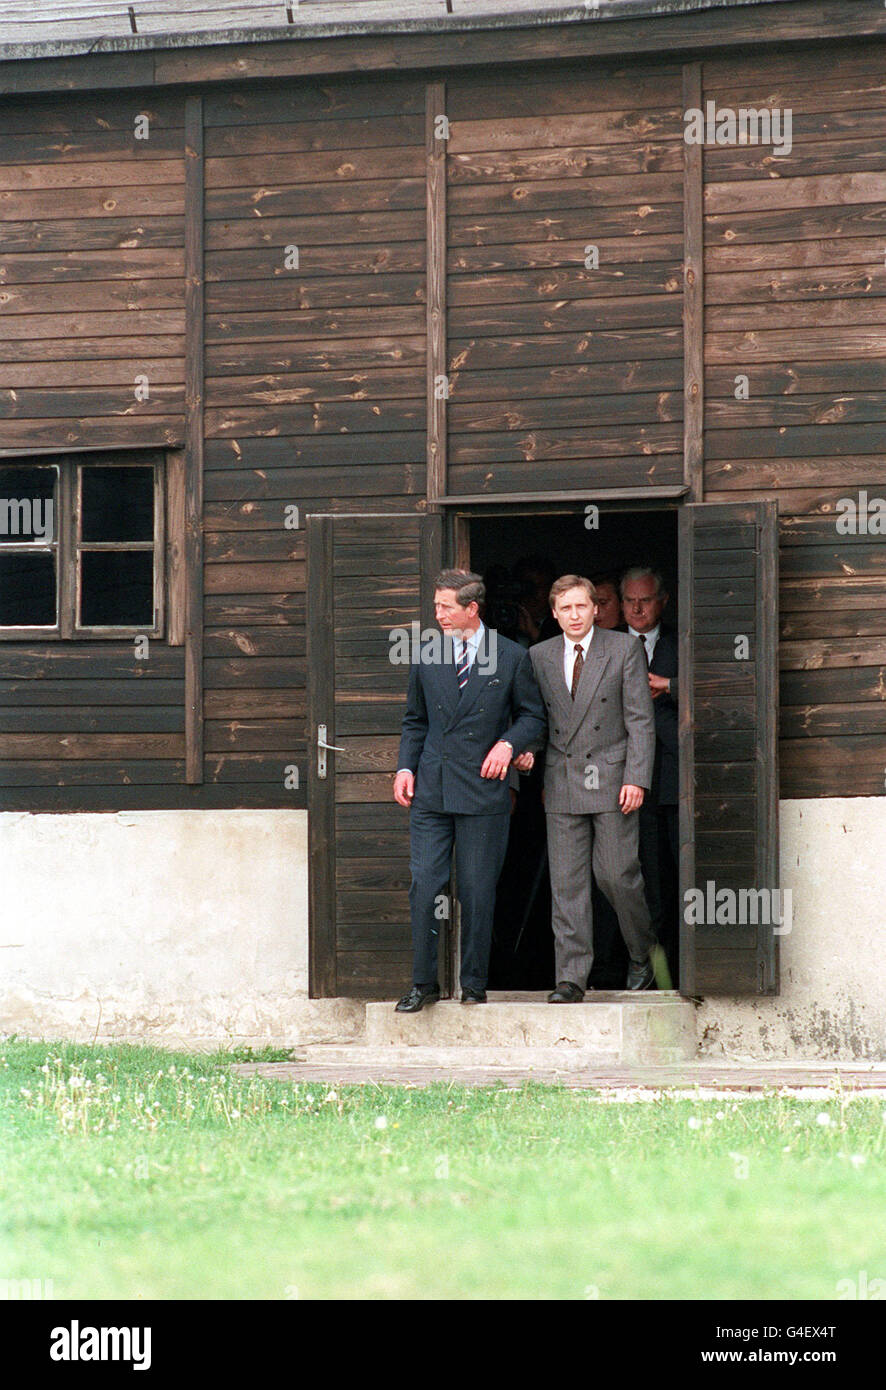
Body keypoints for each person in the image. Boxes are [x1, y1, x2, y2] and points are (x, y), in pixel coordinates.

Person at [392, 570, 546, 1011]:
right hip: (432, 789)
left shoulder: (512, 656)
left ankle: (474, 983)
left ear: (471, 609)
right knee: (425, 885)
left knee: (478, 890)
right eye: (436, 605)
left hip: (483, 789)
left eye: (446, 607)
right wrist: (405, 767)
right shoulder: (427, 654)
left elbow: (532, 717)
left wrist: (509, 743)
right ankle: (424, 984)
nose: (437, 614)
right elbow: (415, 721)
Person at [518, 575, 658, 1000]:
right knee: (567, 884)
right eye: (566, 609)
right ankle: (571, 978)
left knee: (617, 875)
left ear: (596, 608)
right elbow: (538, 716)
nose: (575, 616)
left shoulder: (623, 648)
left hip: (614, 779)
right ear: (554, 613)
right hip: (561, 780)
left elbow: (640, 719)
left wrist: (636, 777)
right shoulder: (538, 655)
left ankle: (641, 954)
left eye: (582, 607)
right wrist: (528, 749)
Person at [621, 566, 679, 986]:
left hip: (675, 777)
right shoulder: (604, 646)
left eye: (645, 600)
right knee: (638, 876)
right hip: (625, 779)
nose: (637, 608)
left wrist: (672, 685)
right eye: (629, 600)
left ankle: (681, 969)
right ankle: (639, 964)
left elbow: (725, 683)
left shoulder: (683, 642)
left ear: (663, 602)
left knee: (680, 873)